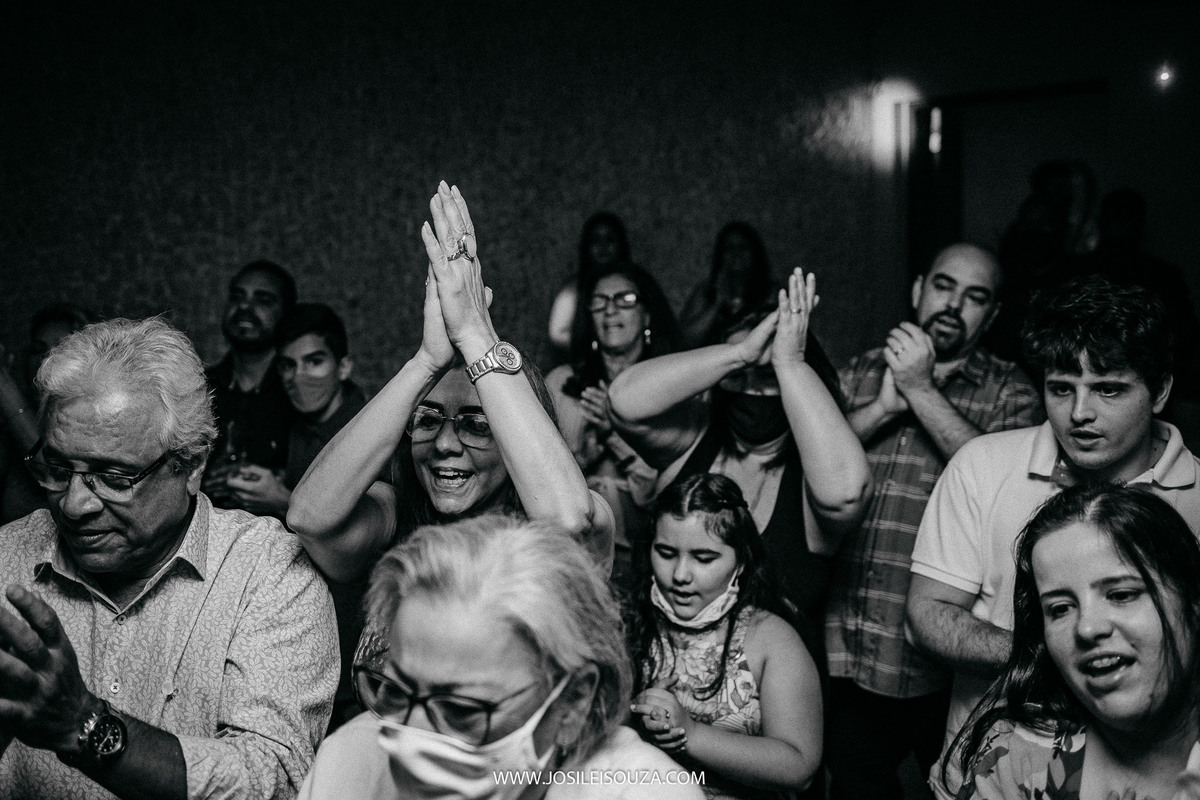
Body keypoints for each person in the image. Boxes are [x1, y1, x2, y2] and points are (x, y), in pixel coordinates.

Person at [0, 317, 338, 800]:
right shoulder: (6, 557)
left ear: (192, 463)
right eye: (57, 468)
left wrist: (82, 723)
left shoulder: (268, 575)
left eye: (113, 476)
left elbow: (273, 779)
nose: (74, 504)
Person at [287, 182, 616, 664]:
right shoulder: (395, 510)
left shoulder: (581, 511)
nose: (444, 444)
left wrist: (476, 336)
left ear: (514, 436)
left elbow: (566, 519)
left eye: (476, 425)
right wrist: (425, 362)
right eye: (429, 419)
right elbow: (307, 516)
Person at [905, 276, 1200, 798]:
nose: (1079, 413)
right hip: (987, 775)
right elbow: (926, 617)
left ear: (1161, 390)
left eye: (1108, 388)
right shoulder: (983, 465)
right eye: (1061, 388)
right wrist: (1053, 652)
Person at [823, 244, 1043, 800]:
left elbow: (1007, 491)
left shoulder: (1011, 391)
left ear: (991, 316)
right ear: (918, 289)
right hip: (850, 647)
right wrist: (881, 408)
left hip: (946, 671)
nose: (953, 305)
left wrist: (920, 389)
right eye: (944, 286)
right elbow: (809, 465)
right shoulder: (858, 371)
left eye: (975, 298)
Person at [299, 515, 705, 800]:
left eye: (460, 709)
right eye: (395, 692)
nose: (411, 740)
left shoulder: (646, 792)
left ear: (573, 702)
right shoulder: (347, 761)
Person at [610, 268, 872, 657]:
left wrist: (791, 364)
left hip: (774, 695)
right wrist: (739, 353)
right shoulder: (692, 441)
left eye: (766, 377)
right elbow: (624, 400)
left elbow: (847, 495)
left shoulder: (814, 476)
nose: (752, 390)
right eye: (740, 377)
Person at [950, 484, 1200, 800]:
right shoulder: (1014, 757)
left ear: (1193, 600)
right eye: (1060, 609)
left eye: (1122, 595)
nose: (1087, 628)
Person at [628, 473, 822, 798]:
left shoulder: (772, 640)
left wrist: (691, 733)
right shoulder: (631, 622)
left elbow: (798, 767)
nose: (680, 575)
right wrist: (635, 713)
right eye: (665, 552)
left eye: (704, 558)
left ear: (741, 561)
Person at [547, 261, 681, 588]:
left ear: (648, 315)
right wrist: (582, 458)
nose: (610, 310)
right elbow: (535, 480)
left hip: (652, 564)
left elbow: (672, 494)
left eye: (625, 300)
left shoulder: (672, 389)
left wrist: (615, 436)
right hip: (570, 560)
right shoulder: (560, 383)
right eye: (599, 301)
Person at [224, 302, 368, 519]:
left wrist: (282, 500)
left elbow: (361, 532)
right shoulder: (301, 426)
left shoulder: (368, 430)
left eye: (314, 362)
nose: (299, 376)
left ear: (343, 367)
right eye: (288, 366)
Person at [203, 259, 297, 509]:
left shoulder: (301, 390)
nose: (244, 306)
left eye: (262, 300)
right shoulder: (197, 387)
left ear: (287, 314)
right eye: (237, 296)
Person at [1, 303, 94, 523]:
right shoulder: (15, 425)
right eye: (38, 349)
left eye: (60, 350)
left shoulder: (93, 422)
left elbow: (51, 466)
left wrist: (4, 386)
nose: (46, 361)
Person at [546, 212, 633, 363]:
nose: (603, 246)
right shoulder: (573, 290)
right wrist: (596, 346)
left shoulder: (637, 284)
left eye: (610, 239)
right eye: (596, 240)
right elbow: (557, 333)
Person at [677, 223, 776, 350]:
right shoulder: (706, 292)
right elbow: (683, 341)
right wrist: (717, 303)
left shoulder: (771, 293)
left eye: (742, 247)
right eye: (729, 248)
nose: (736, 254)